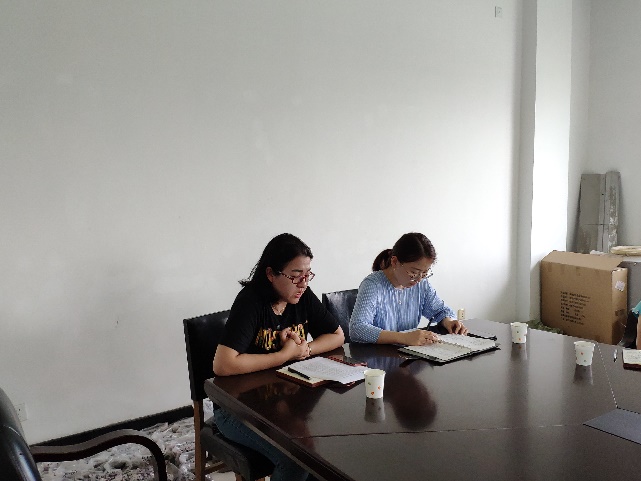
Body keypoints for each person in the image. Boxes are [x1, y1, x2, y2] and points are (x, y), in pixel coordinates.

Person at [213, 233, 344, 481]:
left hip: (286, 401)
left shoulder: (302, 296)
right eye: (295, 275)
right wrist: (284, 355)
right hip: (238, 410)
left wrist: (304, 350)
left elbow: (337, 336)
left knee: (326, 451)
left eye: (308, 275)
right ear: (271, 274)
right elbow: (223, 364)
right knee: (295, 460)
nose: (303, 283)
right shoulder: (251, 301)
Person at [349, 232, 466, 345]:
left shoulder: (422, 285)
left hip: (408, 352)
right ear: (395, 262)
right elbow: (357, 329)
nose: (419, 279)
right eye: (413, 272)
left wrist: (449, 321)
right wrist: (403, 338)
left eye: (424, 273)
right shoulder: (373, 285)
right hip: (376, 354)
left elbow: (440, 310)